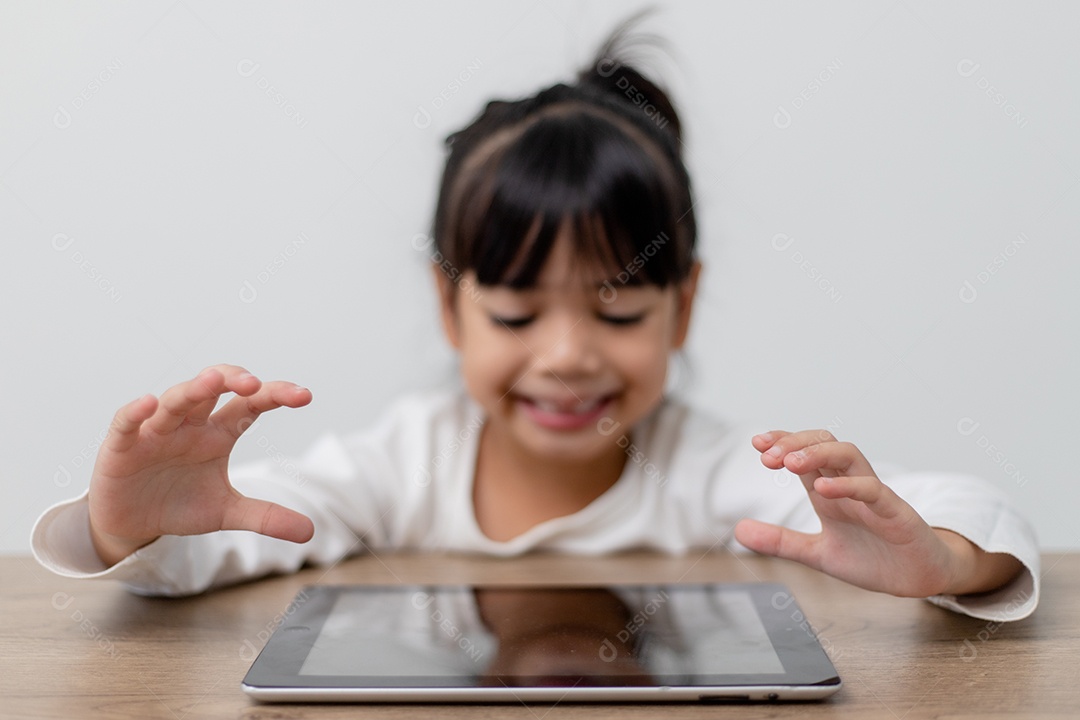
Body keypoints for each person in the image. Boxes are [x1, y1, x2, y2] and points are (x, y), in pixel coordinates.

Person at [32, 19, 1037, 622]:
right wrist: (133, 526)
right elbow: (232, 535)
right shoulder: (403, 467)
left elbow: (969, 511)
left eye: (621, 306)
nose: (565, 356)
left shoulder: (715, 473)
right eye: (515, 312)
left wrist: (944, 560)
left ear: (682, 305)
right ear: (448, 304)